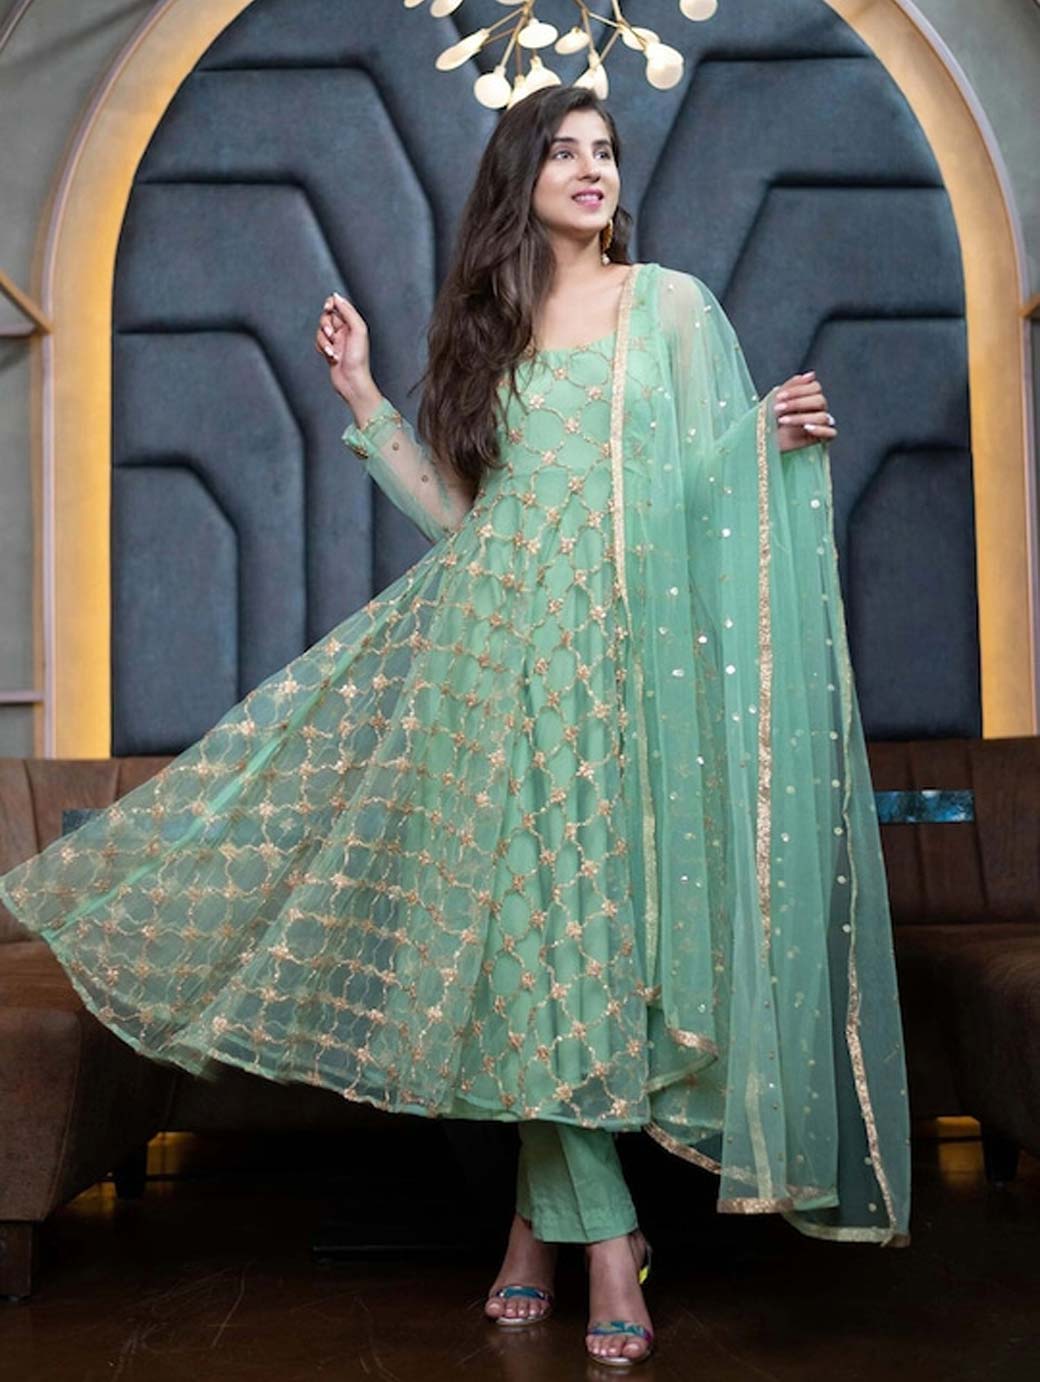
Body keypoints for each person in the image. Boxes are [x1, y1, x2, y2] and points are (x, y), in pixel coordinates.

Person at [0, 86, 911, 1367]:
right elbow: (469, 526)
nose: (591, 169)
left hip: (615, 677)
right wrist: (360, 394)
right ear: (517, 175)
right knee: (525, 953)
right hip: (489, 673)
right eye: (564, 150)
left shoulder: (668, 307)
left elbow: (686, 496)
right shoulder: (493, 331)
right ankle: (608, 1241)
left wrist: (762, 436)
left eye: (605, 152)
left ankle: (539, 1231)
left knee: (585, 949)